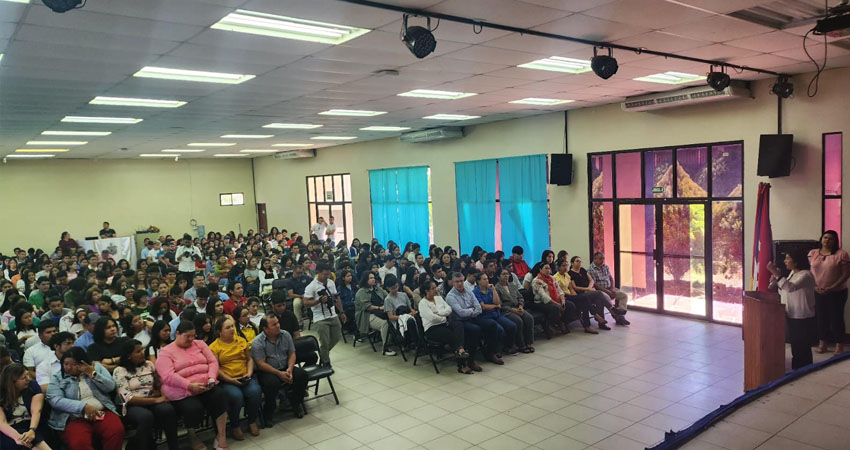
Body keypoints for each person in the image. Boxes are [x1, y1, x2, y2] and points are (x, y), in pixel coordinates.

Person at [155, 321, 228, 450]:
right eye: (187, 336)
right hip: (182, 391)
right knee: (193, 408)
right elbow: (167, 376)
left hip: (206, 385)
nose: (191, 339)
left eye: (193, 336)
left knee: (220, 396)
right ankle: (192, 437)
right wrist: (189, 385)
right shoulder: (165, 352)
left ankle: (221, 436)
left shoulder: (200, 344)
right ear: (177, 334)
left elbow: (212, 361)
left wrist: (211, 377)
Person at [46, 347, 125, 450]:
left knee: (116, 430)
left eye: (74, 364)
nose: (69, 368)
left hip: (101, 412)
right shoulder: (57, 377)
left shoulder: (96, 368)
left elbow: (110, 387)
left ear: (82, 363)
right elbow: (55, 400)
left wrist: (93, 375)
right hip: (73, 418)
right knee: (80, 442)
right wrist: (83, 407)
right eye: (66, 364)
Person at [113, 339, 179, 450]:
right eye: (138, 351)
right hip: (132, 405)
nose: (142, 353)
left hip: (152, 399)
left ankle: (174, 447)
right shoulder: (120, 371)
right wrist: (155, 400)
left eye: (142, 349)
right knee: (145, 416)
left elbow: (158, 385)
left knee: (168, 410)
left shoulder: (149, 365)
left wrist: (158, 393)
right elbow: (127, 398)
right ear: (129, 355)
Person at [208, 317, 261, 439]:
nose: (232, 329)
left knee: (255, 391)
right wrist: (230, 380)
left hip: (245, 376)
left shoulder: (241, 340)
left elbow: (250, 359)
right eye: (227, 327)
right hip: (228, 380)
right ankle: (235, 425)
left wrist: (249, 373)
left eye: (232, 326)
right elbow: (216, 368)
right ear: (219, 332)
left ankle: (252, 421)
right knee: (236, 396)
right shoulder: (214, 347)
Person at [251, 315, 308, 425]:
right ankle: (268, 412)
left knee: (302, 375)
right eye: (274, 325)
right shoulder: (257, 342)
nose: (278, 326)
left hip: (286, 367)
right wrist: (278, 373)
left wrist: (290, 369)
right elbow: (261, 364)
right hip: (268, 371)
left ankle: (295, 403)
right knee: (272, 383)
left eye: (278, 323)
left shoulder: (285, 335)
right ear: (265, 329)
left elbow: (292, 353)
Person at [768, 251, 817, 370]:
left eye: (788, 258)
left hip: (802, 315)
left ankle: (805, 367)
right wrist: (774, 280)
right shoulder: (792, 273)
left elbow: (790, 288)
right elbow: (784, 289)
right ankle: (797, 366)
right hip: (791, 312)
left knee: (802, 344)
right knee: (795, 343)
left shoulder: (806, 274)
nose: (785, 261)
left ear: (796, 261)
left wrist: (775, 273)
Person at [445, 272, 500, 368]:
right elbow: (461, 313)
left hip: (473, 317)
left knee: (492, 324)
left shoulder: (468, 291)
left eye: (461, 281)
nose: (460, 283)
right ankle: (471, 361)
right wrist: (472, 310)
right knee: (475, 330)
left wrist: (471, 311)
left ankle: (491, 353)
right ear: (452, 283)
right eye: (457, 281)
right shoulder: (450, 296)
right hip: (460, 321)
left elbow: (478, 308)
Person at [808, 230, 850, 355]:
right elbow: (809, 273)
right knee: (821, 318)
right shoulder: (813, 253)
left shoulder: (841, 254)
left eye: (830, 238)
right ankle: (823, 344)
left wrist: (831, 287)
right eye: (825, 237)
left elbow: (846, 274)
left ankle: (839, 344)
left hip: (837, 292)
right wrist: (814, 286)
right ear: (821, 239)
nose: (827, 240)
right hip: (818, 291)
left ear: (835, 241)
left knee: (836, 318)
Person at [418, 280, 471, 373]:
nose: (436, 290)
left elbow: (449, 309)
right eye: (433, 288)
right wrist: (443, 317)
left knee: (459, 325)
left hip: (444, 324)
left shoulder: (438, 298)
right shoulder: (423, 303)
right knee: (452, 335)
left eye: (436, 287)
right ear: (427, 291)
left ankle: (460, 350)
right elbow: (431, 318)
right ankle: (462, 363)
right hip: (432, 329)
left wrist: (439, 313)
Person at [302, 263, 345, 366]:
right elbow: (306, 303)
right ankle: (326, 362)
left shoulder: (331, 282)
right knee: (324, 341)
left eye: (328, 274)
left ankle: (323, 353)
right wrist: (318, 301)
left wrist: (342, 312)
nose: (327, 276)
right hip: (320, 317)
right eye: (325, 274)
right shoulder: (311, 286)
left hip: (333, 314)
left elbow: (336, 297)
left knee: (337, 337)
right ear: (318, 273)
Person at [0, 363, 50, 450]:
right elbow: (2, 422)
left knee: (37, 442)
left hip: (31, 424)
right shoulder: (1, 393)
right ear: (12, 381)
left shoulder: (32, 385)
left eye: (27, 375)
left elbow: (36, 410)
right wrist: (17, 437)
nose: (28, 379)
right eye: (23, 378)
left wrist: (32, 430)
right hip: (9, 429)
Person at [472, 273, 517, 355]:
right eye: (484, 279)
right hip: (485, 316)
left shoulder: (489, 289)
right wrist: (495, 306)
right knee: (500, 330)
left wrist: (494, 290)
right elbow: (483, 307)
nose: (487, 281)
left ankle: (508, 347)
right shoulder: (475, 292)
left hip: (495, 314)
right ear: (478, 281)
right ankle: (495, 351)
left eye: (487, 279)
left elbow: (497, 302)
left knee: (512, 326)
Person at [494, 268, 535, 352]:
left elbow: (520, 297)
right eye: (503, 274)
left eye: (507, 274)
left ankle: (529, 343)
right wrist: (512, 310)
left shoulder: (512, 285)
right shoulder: (496, 288)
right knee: (518, 321)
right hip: (506, 311)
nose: (506, 276)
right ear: (498, 276)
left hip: (517, 307)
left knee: (529, 318)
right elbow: (500, 304)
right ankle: (521, 345)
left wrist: (520, 306)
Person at [354, 272, 395, 356]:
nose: (373, 279)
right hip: (367, 315)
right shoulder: (361, 292)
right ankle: (385, 347)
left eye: (373, 278)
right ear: (365, 280)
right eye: (370, 278)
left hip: (381, 312)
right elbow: (367, 307)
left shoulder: (378, 289)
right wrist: (380, 308)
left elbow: (388, 297)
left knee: (395, 318)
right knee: (385, 324)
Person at [588, 252, 630, 325]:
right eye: (600, 259)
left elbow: (611, 278)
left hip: (610, 288)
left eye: (603, 258)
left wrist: (612, 288)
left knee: (623, 295)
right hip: (600, 291)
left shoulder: (605, 266)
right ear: (595, 259)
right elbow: (595, 285)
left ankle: (620, 314)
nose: (603, 260)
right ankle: (617, 317)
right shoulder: (591, 270)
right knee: (605, 298)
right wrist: (607, 292)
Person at [531, 264, 574, 335]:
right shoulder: (537, 281)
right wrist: (557, 304)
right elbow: (543, 296)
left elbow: (559, 290)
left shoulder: (552, 278)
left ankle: (562, 322)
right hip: (541, 302)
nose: (548, 270)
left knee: (570, 305)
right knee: (555, 308)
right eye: (546, 268)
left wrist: (562, 300)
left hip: (555, 299)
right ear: (540, 270)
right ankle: (550, 325)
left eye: (549, 268)